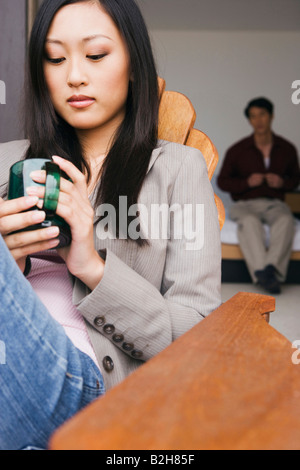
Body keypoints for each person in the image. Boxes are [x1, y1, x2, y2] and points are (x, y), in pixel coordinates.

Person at [0, 0, 221, 450]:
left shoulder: (178, 169)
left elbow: (197, 331)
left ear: (134, 65)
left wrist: (92, 265)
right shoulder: (6, 160)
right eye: (55, 58)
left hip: (84, 378)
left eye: (95, 55)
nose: (74, 76)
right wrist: (11, 263)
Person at [218, 97, 300, 294]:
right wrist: (247, 182)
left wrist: (282, 182)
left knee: (286, 220)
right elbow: (222, 182)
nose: (258, 120)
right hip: (245, 204)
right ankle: (265, 273)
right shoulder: (237, 150)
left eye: (262, 114)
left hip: (274, 203)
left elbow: (295, 179)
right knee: (249, 222)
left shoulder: (287, 149)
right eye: (253, 116)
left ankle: (268, 271)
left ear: (271, 116)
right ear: (249, 120)